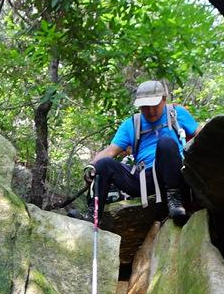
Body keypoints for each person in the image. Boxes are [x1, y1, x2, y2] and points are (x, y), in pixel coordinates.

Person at [70, 80, 201, 222]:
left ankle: (174, 199)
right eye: (145, 107)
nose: (150, 111)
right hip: (145, 179)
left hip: (174, 174)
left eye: (154, 106)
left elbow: (201, 136)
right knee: (103, 164)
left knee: (166, 142)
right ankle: (93, 214)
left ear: (164, 99)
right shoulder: (132, 124)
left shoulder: (176, 113)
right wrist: (91, 166)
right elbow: (110, 150)